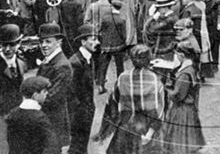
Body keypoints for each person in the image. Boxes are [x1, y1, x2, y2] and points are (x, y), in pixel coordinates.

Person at [93, 45, 165, 154]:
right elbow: (158, 110)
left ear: (131, 60)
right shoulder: (154, 79)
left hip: (125, 126)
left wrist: (104, 130)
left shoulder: (122, 77)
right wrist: (150, 133)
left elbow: (112, 103)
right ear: (149, 59)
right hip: (146, 130)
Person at [162, 40, 206, 154]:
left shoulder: (185, 74)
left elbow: (178, 95)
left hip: (182, 111)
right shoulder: (191, 68)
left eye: (176, 55)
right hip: (190, 110)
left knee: (179, 144)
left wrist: (165, 90)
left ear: (182, 55)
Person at [36, 23, 73, 151]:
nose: (44, 45)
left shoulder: (62, 65)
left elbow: (53, 97)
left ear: (59, 42)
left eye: (48, 41)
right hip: (46, 119)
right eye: (41, 42)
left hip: (54, 120)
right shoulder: (49, 60)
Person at [68, 24, 100, 154]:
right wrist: (79, 114)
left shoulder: (89, 58)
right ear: (83, 41)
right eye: (93, 39)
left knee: (82, 144)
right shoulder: (75, 63)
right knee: (77, 145)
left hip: (86, 110)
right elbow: (72, 93)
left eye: (97, 39)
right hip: (79, 114)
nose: (97, 42)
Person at [6, 76, 59, 154]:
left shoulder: (12, 114)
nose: (47, 93)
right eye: (44, 91)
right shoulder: (40, 118)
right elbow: (51, 146)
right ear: (35, 95)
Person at [0, 24, 26, 153]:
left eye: (12, 44)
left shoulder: (21, 63)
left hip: (17, 115)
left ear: (19, 43)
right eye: (4, 45)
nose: (7, 49)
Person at [97, 1, 127, 94]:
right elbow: (124, 35)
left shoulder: (105, 18)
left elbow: (100, 30)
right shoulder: (122, 20)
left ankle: (101, 85)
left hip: (106, 45)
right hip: (118, 46)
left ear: (112, 7)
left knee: (103, 66)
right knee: (119, 66)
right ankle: (119, 85)